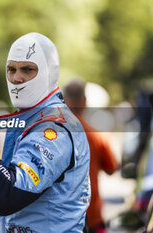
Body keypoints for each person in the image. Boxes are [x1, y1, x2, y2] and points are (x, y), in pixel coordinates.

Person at [0, 32, 91, 233]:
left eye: (27, 69)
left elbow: (6, 195)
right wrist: (5, 223)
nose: (16, 78)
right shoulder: (32, 117)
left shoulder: (52, 128)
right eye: (11, 69)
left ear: (48, 72)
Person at [63, 80, 118, 233]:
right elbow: (112, 168)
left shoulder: (49, 134)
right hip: (92, 216)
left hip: (61, 220)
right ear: (85, 102)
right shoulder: (96, 136)